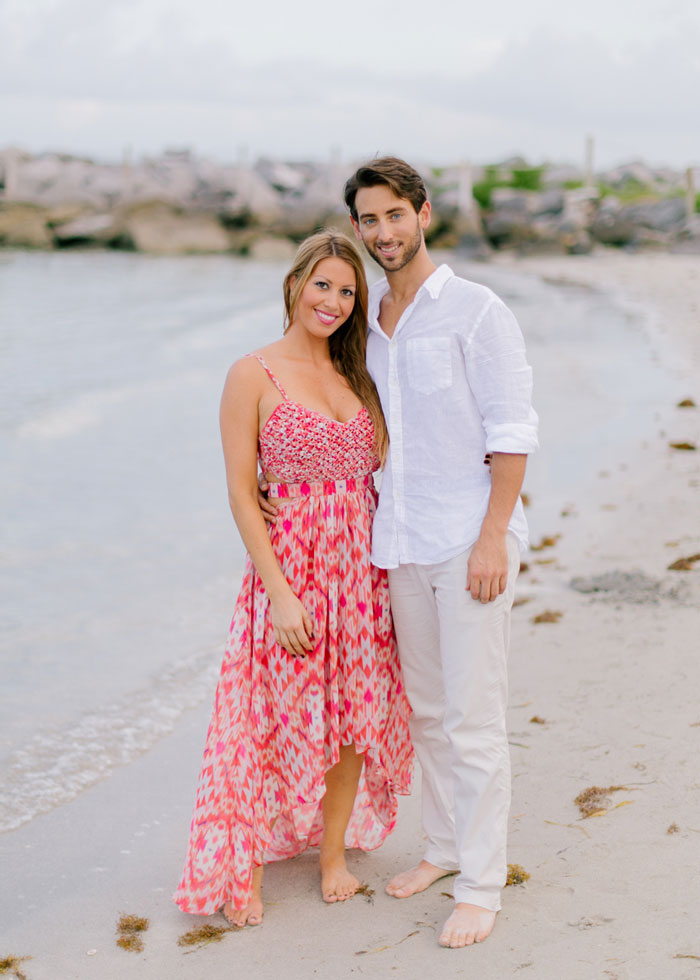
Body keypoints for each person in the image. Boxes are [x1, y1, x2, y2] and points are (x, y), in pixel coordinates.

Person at [173, 231, 413, 927]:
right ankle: (240, 863)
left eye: (347, 291)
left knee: (348, 719)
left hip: (362, 575)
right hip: (292, 573)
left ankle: (331, 854)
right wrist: (279, 592)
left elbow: (392, 465)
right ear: (294, 284)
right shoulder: (252, 372)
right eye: (323, 285)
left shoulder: (360, 372)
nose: (334, 302)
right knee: (264, 718)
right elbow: (242, 494)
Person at [342, 157, 539, 948]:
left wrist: (493, 535)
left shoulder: (477, 311)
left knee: (473, 717)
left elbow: (512, 430)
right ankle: (445, 847)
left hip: (468, 539)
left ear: (423, 214)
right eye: (368, 219)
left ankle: (483, 885)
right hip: (398, 542)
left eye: (395, 214)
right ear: (357, 229)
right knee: (426, 711)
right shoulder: (370, 323)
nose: (383, 232)